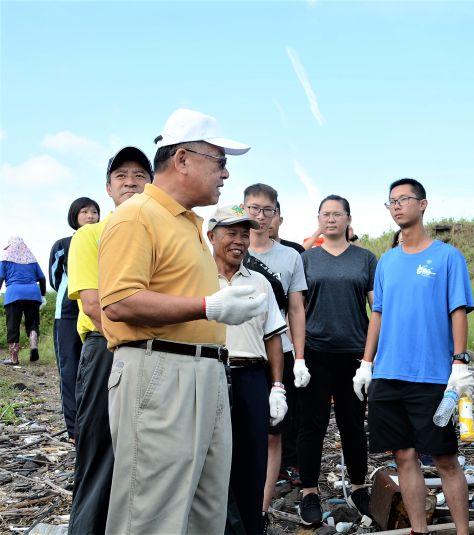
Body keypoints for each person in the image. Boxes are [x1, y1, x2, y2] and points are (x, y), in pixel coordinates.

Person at [98, 109, 267, 534]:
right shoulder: (136, 216)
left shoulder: (189, 225)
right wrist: (208, 307)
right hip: (159, 373)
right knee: (151, 514)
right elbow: (118, 302)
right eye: (220, 161)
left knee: (204, 510)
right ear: (183, 159)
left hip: (206, 372)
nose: (226, 174)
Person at [353, 177, 474, 535]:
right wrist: (366, 363)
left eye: (405, 199)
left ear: (423, 204)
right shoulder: (387, 262)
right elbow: (378, 314)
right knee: (403, 456)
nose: (397, 205)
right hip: (389, 374)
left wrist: (460, 361)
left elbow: (458, 311)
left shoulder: (447, 257)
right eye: (391, 201)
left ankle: (462, 531)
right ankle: (418, 530)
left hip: (432, 376)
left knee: (445, 459)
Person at [66, 148, 151, 534]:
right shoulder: (90, 234)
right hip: (108, 349)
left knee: (147, 453)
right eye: (121, 176)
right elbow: (94, 304)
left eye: (139, 174)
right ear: (108, 188)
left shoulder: (157, 232)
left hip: (154, 352)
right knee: (100, 449)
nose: (131, 182)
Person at [297, 195, 377, 524]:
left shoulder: (365, 259)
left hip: (353, 354)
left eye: (337, 214)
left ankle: (358, 487)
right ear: (318, 219)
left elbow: (378, 310)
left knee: (353, 423)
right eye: (325, 214)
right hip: (315, 352)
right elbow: (296, 309)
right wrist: (298, 356)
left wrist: (371, 359)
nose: (331, 219)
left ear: (348, 219)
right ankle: (309, 492)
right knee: (311, 425)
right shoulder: (306, 260)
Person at [207, 205, 287, 535]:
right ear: (211, 236)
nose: (239, 240)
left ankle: (252, 527)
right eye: (231, 233)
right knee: (211, 461)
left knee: (251, 462)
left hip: (252, 376)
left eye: (245, 234)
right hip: (210, 373)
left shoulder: (261, 283)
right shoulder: (196, 277)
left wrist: (277, 386)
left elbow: (273, 338)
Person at [242, 183, 309, 514]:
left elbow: (296, 309)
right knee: (240, 430)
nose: (260, 216)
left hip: (278, 354)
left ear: (277, 215)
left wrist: (300, 357)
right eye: (253, 209)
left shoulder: (290, 256)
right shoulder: (230, 249)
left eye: (267, 210)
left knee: (273, 431)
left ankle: (263, 508)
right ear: (242, 211)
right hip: (239, 353)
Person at [49, 197, 99, 440]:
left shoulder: (104, 238)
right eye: (84, 212)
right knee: (69, 370)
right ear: (74, 216)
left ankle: (93, 423)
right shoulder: (63, 244)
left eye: (94, 212)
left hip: (96, 311)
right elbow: (55, 278)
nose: (90, 216)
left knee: (93, 369)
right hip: (68, 313)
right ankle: (74, 430)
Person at [1, 236, 46, 365]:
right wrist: (42, 295)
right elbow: (42, 279)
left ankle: (13, 358)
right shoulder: (32, 261)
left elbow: (0, 279)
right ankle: (33, 345)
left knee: (13, 325)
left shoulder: (5, 260)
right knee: (32, 323)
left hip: (13, 295)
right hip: (33, 294)